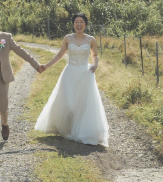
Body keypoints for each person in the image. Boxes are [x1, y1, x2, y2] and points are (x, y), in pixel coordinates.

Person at [34, 13, 109, 147]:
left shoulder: (91, 39)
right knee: (68, 102)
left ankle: (81, 130)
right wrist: (46, 66)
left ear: (85, 24)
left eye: (81, 22)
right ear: (73, 24)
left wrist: (95, 64)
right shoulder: (68, 38)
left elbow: (95, 55)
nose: (79, 24)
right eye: (76, 22)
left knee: (83, 103)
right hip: (69, 72)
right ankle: (67, 129)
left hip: (85, 74)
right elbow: (59, 55)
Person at [0, 11, 43, 147]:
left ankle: (4, 124)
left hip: (2, 78)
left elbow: (21, 51)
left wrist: (36, 65)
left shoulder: (5, 37)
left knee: (3, 108)